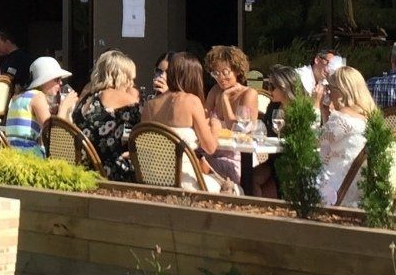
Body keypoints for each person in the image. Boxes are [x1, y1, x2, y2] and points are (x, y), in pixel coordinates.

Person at [140, 51, 232, 194]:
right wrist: (215, 126)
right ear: (194, 77)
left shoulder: (149, 105)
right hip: (183, 181)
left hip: (152, 180)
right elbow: (210, 147)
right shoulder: (191, 101)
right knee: (237, 189)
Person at [73, 49, 142, 181]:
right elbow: (146, 130)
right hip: (108, 171)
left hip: (84, 168)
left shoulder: (86, 98)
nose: (132, 83)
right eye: (130, 78)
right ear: (121, 76)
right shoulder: (122, 98)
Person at [316, 67, 375, 207]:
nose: (328, 95)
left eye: (330, 90)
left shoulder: (343, 118)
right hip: (357, 188)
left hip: (336, 190)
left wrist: (315, 104)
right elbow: (331, 138)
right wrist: (325, 113)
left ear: (341, 92)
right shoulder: (367, 118)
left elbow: (314, 141)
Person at [6, 56, 71, 155]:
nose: (61, 83)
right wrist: (64, 107)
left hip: (13, 153)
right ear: (44, 81)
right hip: (29, 156)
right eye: (57, 79)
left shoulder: (18, 97)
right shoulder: (38, 96)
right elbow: (53, 135)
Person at [202, 45, 259, 128]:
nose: (220, 78)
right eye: (216, 73)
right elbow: (203, 117)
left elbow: (237, 128)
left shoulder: (248, 94)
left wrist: (225, 98)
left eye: (225, 72)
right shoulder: (215, 90)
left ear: (237, 71)